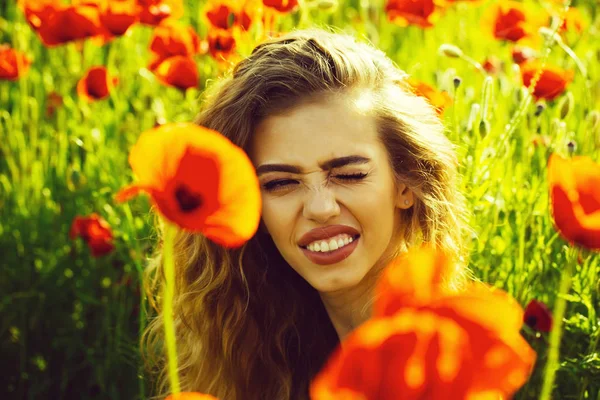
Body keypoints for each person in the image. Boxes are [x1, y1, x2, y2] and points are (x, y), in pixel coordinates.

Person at [142, 26, 472, 400]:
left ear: (406, 185)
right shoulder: (267, 358)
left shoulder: (449, 366)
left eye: (349, 175)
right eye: (280, 183)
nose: (319, 208)